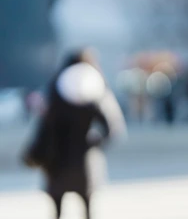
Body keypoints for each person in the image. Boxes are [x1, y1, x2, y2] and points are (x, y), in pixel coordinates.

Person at [21, 49, 126, 219]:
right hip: (84, 160)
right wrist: (94, 142)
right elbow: (112, 126)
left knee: (57, 211)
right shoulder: (95, 90)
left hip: (56, 159)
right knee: (87, 209)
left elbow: (44, 127)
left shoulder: (55, 90)